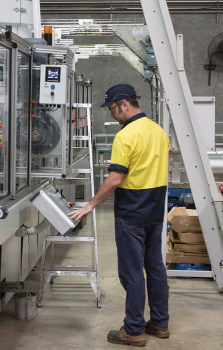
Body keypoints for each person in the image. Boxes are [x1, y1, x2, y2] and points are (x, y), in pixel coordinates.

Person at [68, 84, 170, 347]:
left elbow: (115, 179)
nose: (111, 115)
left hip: (131, 213)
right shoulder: (158, 131)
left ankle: (133, 330)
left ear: (125, 104)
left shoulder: (125, 136)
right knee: (155, 268)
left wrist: (90, 205)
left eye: (112, 109)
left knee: (132, 272)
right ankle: (159, 323)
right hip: (155, 211)